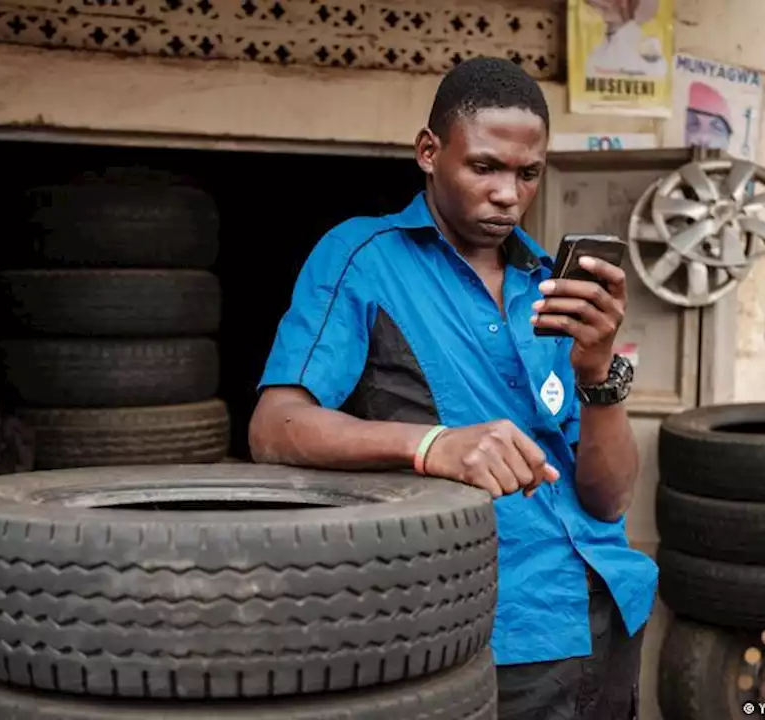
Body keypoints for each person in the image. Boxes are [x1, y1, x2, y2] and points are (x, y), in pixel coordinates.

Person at [248, 56, 658, 720]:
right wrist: (433, 445)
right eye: (485, 167)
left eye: (528, 174)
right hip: (482, 628)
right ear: (429, 152)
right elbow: (274, 428)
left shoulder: (549, 286)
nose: (508, 194)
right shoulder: (364, 258)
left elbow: (608, 500)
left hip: (607, 608)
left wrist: (597, 372)